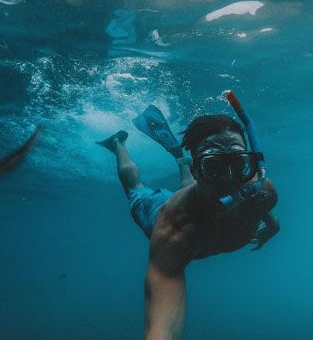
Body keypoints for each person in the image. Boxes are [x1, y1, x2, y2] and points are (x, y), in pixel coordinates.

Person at [96, 104, 279, 340]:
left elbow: (260, 208)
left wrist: (272, 226)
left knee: (196, 188)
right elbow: (161, 327)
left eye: (238, 162)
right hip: (159, 206)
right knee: (135, 190)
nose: (229, 178)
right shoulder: (174, 230)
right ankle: (117, 143)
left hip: (196, 194)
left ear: (250, 164)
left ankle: (182, 156)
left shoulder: (260, 190)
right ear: (198, 169)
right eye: (213, 165)